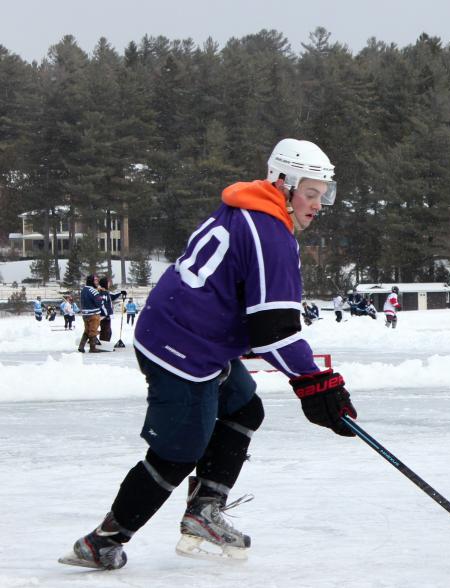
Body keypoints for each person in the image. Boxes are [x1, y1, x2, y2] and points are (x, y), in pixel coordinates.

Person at [59, 138, 356, 570]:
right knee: (178, 452)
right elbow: (274, 331)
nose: (319, 204)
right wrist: (316, 383)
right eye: (311, 193)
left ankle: (204, 510)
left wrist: (309, 379)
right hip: (181, 350)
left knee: (244, 408)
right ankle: (102, 541)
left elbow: (251, 315)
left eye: (324, 194)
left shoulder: (248, 208)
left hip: (186, 338)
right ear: (282, 183)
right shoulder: (269, 233)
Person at [77, 274, 108, 353]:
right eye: (96, 280)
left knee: (87, 331)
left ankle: (81, 346)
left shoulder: (84, 290)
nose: (97, 282)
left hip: (85, 314)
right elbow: (99, 303)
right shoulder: (93, 291)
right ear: (91, 281)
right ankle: (92, 348)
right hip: (93, 314)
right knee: (93, 331)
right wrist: (101, 297)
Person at [98, 276, 126, 343]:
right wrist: (106, 314)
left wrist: (121, 293)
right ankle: (103, 344)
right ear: (105, 284)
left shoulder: (106, 292)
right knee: (106, 330)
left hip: (106, 315)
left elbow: (113, 296)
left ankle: (104, 343)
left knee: (107, 331)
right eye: (108, 283)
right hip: (104, 315)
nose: (109, 284)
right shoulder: (101, 293)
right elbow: (101, 304)